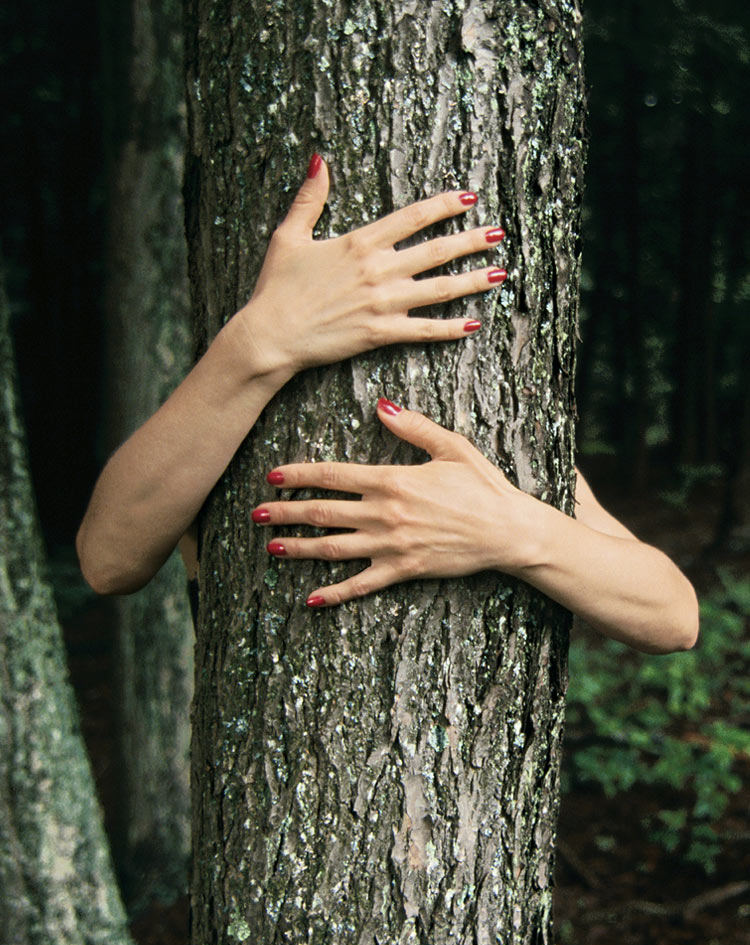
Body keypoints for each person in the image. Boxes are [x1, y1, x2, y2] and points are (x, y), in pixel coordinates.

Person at [77, 155, 699, 655]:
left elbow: (672, 615)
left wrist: (510, 529)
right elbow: (109, 560)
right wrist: (263, 340)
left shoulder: (503, 448)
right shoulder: (228, 415)